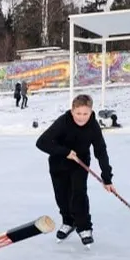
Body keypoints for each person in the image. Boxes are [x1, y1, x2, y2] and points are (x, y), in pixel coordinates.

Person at [35, 93, 115, 246]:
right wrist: (65, 152)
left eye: (85, 113)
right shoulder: (63, 122)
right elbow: (41, 142)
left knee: (78, 194)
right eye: (78, 113)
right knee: (62, 196)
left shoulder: (93, 126)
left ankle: (84, 227)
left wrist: (107, 178)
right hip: (58, 162)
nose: (81, 117)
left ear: (91, 112)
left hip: (80, 163)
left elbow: (101, 150)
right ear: (72, 111)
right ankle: (68, 222)